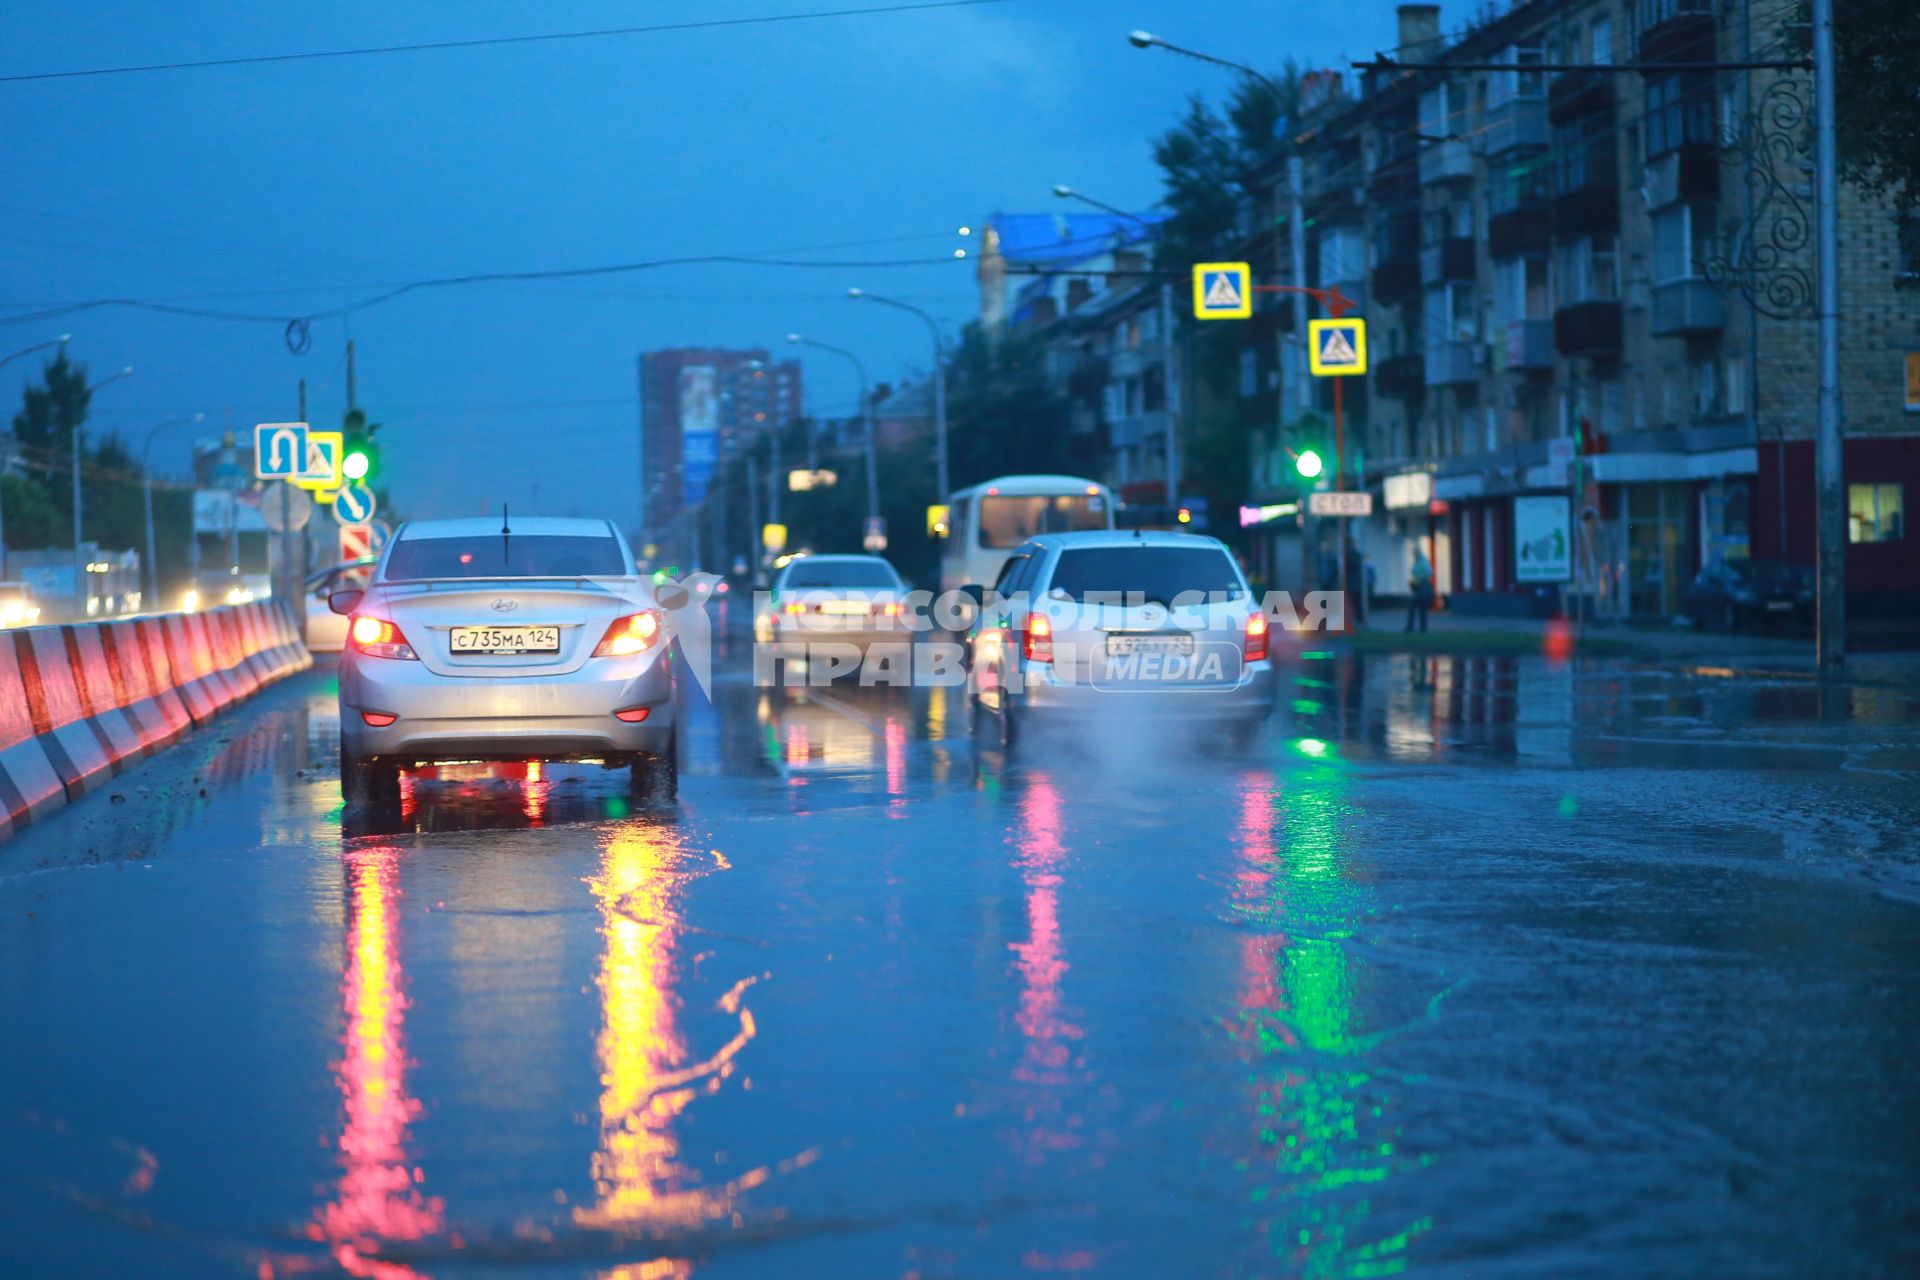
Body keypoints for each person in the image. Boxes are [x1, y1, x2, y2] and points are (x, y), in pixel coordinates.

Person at [1407, 548, 1434, 633]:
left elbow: (1427, 573)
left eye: (1414, 554)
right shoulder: (1421, 561)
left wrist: (1418, 578)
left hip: (1421, 587)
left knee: (1414, 607)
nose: (1413, 555)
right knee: (1422, 609)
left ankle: (1411, 628)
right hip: (1421, 587)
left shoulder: (1422, 562)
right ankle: (1422, 628)